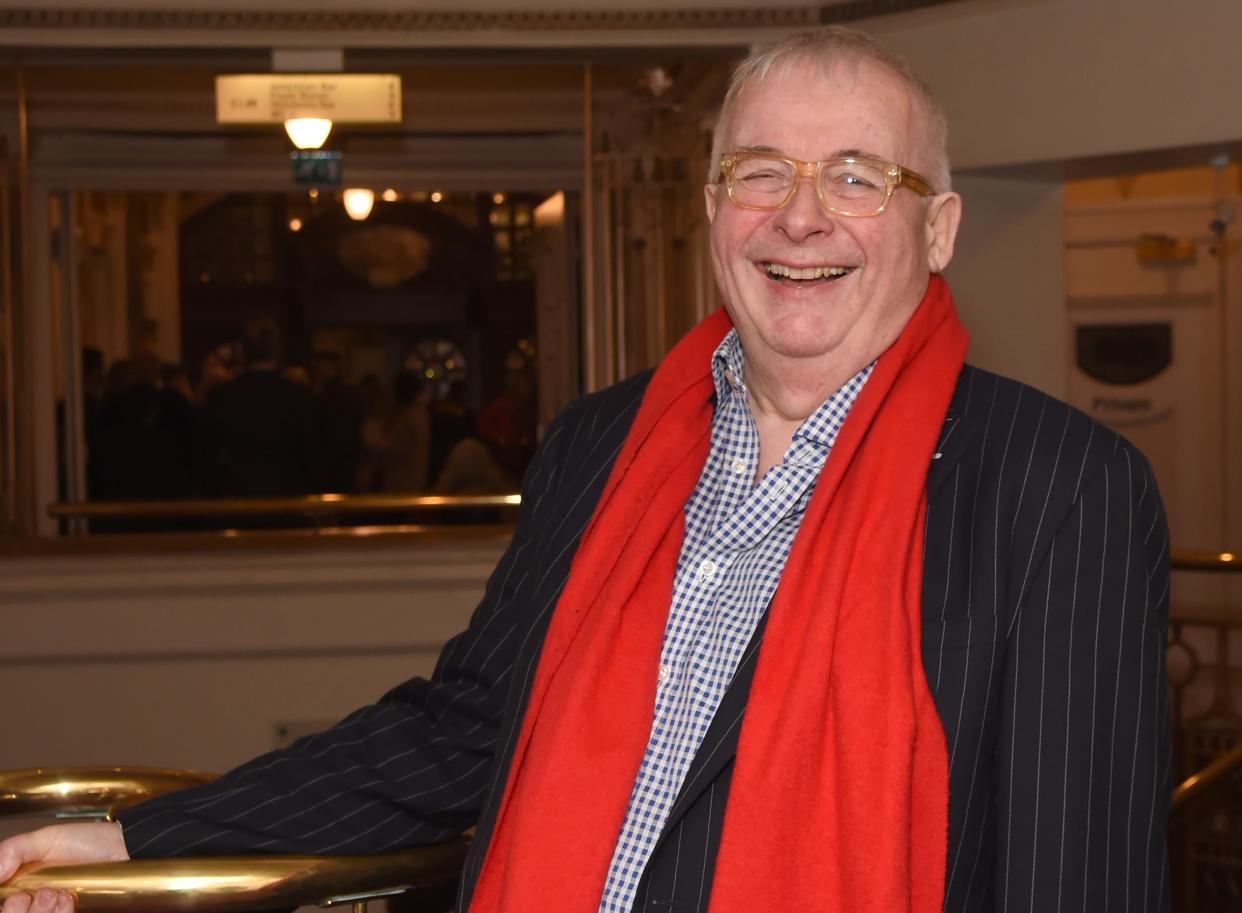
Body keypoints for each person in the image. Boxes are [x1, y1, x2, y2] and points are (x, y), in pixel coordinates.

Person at [0, 26, 1170, 913]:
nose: (802, 216)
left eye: (860, 176)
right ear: (714, 208)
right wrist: (138, 836)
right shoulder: (600, 444)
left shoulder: (1062, 488)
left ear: (942, 227)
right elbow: (462, 732)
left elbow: (1076, 879)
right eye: (762, 171)